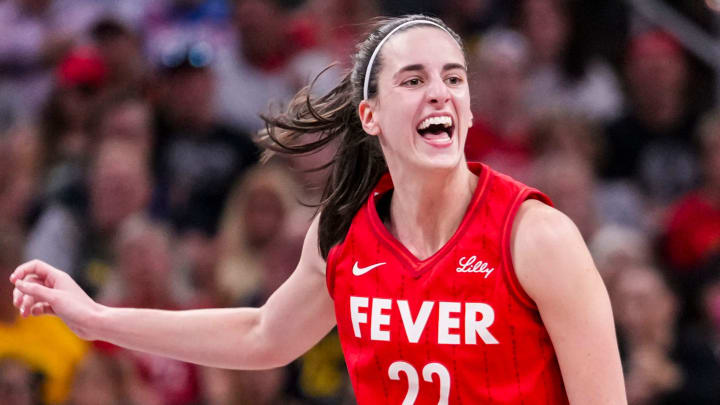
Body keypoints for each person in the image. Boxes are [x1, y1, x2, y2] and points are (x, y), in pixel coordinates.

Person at [10, 15, 626, 404]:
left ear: (467, 107)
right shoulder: (343, 235)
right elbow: (261, 334)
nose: (440, 90)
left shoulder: (536, 236)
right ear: (371, 115)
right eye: (413, 79)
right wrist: (97, 317)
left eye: (454, 78)